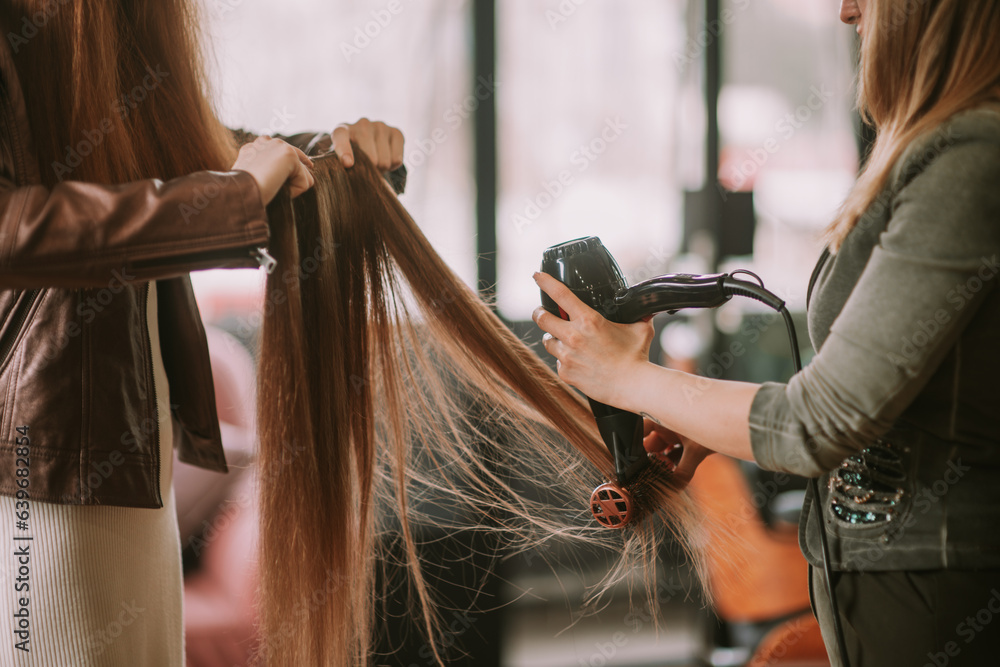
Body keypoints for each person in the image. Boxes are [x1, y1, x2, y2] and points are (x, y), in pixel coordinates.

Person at [533, 1, 1000, 665]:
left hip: (941, 596)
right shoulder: (936, 152)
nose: (846, 11)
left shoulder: (973, 158)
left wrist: (626, 376)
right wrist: (704, 417)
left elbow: (821, 422)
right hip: (882, 591)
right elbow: (874, 399)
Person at [0, 1, 403, 664]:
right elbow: (13, 228)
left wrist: (341, 161)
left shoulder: (105, 32)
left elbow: (207, 153)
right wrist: (237, 194)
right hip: (45, 467)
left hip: (134, 458)